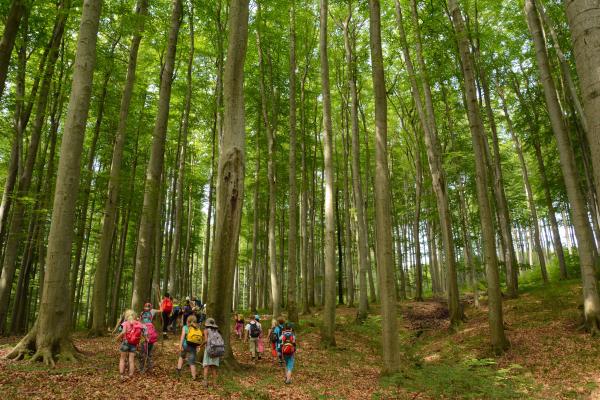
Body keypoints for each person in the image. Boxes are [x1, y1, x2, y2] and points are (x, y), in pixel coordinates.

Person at [116, 309, 145, 380]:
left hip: (125, 342)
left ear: (126, 316)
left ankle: (122, 375)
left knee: (122, 359)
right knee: (131, 360)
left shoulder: (125, 323)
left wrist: (117, 338)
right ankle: (131, 374)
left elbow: (123, 332)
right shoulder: (138, 323)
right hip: (134, 343)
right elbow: (142, 333)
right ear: (134, 316)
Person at [177, 314, 203, 380]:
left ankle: (179, 370)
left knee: (181, 356)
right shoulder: (197, 328)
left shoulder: (185, 327)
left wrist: (180, 346)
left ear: (187, 321)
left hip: (185, 346)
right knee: (192, 362)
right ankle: (194, 377)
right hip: (193, 347)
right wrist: (198, 347)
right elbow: (198, 339)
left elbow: (182, 337)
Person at [203, 317, 224, 387]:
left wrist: (201, 345)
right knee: (214, 367)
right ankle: (214, 383)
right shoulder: (216, 331)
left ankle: (205, 382)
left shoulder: (206, 330)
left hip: (208, 351)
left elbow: (206, 341)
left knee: (206, 366)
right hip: (216, 350)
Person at [140, 303, 159, 370]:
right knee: (149, 352)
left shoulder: (142, 313)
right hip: (151, 337)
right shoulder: (152, 312)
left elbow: (140, 322)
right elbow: (161, 310)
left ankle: (142, 367)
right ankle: (150, 366)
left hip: (144, 336)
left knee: (143, 352)